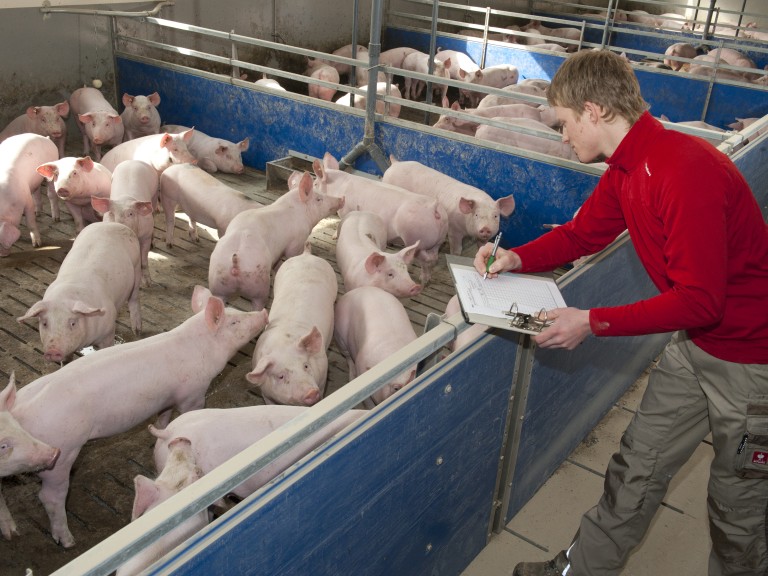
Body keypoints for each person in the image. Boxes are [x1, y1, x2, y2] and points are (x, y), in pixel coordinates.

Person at [474, 49, 768, 576]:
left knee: (737, 509)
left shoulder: (683, 170)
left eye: (564, 124)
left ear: (594, 111)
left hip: (753, 364)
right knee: (635, 469)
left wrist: (590, 321)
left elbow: (703, 299)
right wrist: (516, 256)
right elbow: (583, 233)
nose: (562, 137)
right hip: (696, 344)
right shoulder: (628, 168)